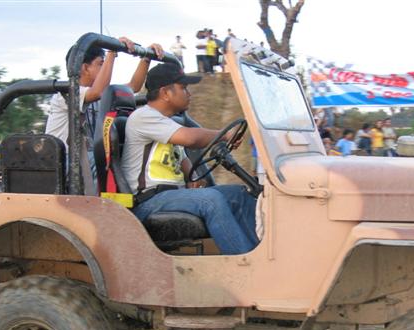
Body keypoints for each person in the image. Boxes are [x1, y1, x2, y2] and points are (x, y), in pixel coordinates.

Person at [122, 63, 258, 255]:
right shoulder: (143, 117)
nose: (189, 93)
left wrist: (193, 178)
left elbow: (181, 158)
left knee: (241, 194)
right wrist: (224, 135)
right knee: (211, 200)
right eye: (183, 88)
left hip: (172, 195)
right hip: (148, 201)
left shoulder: (167, 123)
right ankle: (243, 262)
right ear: (165, 93)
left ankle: (257, 253)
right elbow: (190, 139)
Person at [45, 37, 163, 189]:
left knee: (126, 156)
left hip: (86, 157)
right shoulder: (67, 93)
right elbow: (98, 92)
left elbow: (133, 86)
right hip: (63, 160)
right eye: (101, 63)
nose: (105, 67)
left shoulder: (98, 94)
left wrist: (146, 58)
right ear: (85, 68)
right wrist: (112, 52)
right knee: (104, 161)